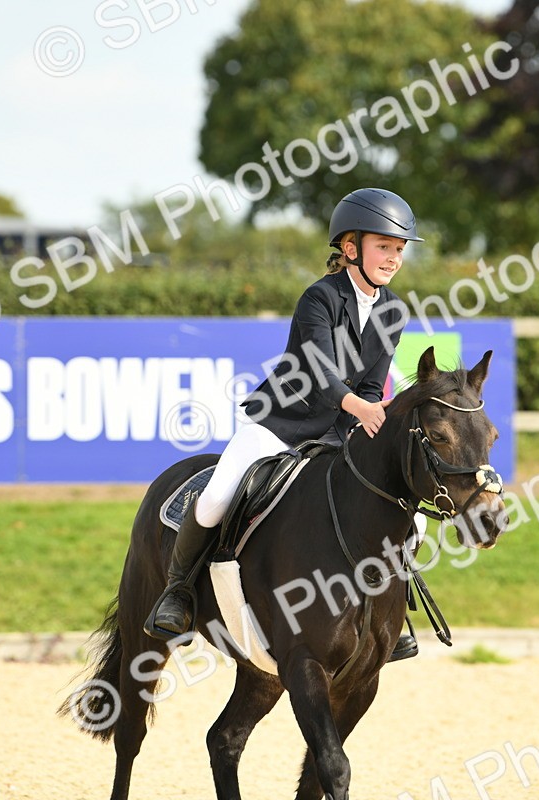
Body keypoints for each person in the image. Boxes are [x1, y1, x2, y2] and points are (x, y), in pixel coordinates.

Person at [144, 188, 422, 662]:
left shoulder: (393, 310)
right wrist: (359, 407)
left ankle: (386, 612)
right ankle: (178, 592)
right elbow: (319, 370)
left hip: (340, 432)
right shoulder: (320, 297)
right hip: (281, 424)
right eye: (383, 246)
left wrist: (370, 420)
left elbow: (374, 383)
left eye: (399, 248)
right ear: (350, 247)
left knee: (406, 514)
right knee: (217, 496)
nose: (394, 257)